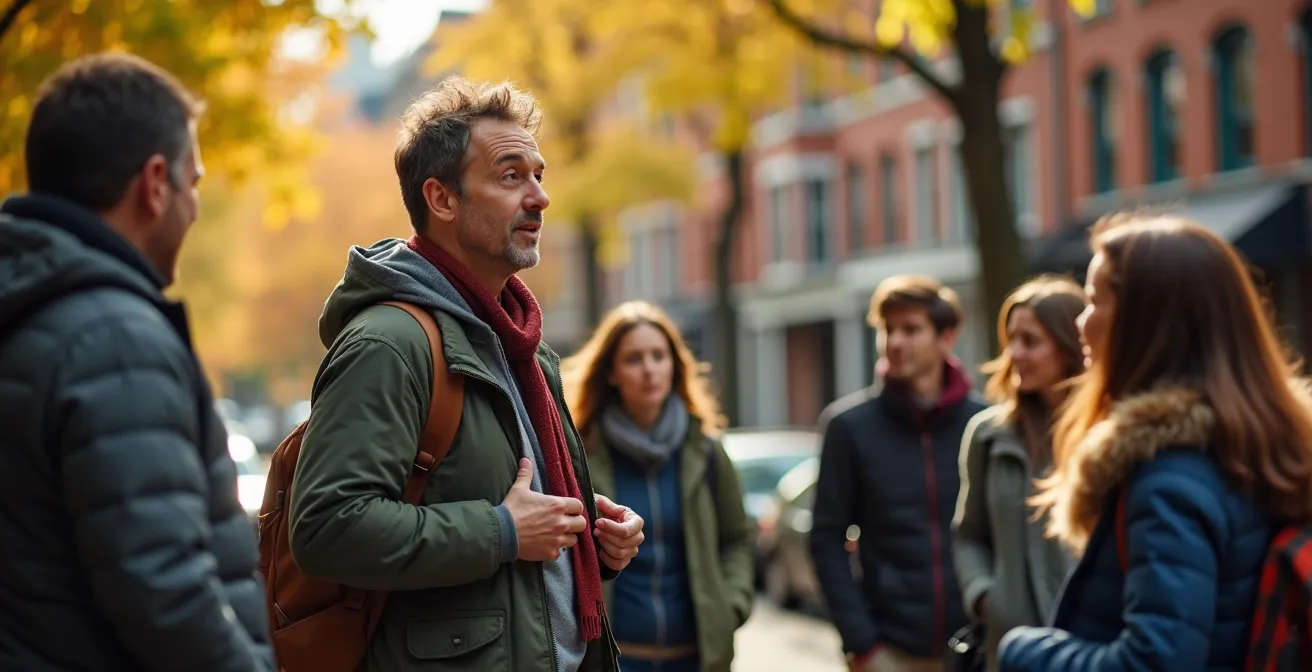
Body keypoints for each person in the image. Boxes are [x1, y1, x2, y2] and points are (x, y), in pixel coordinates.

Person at [286, 76, 644, 672]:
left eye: (539, 175)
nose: (540, 197)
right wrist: (502, 530)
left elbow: (505, 506)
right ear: (442, 199)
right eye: (511, 176)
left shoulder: (523, 346)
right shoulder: (390, 343)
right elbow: (327, 527)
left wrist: (587, 533)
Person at [0, 53, 272, 670]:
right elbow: (167, 595)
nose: (195, 207)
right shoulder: (114, 339)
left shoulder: (32, 305)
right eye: (192, 183)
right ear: (154, 184)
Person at [997, 215, 1312, 671]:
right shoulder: (1257, 444)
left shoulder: (1169, 479)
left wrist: (1024, 651)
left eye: (1093, 302)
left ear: (1142, 322)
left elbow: (1153, 662)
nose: (1081, 323)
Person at [561, 301, 755, 672]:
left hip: (698, 659)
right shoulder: (581, 453)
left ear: (674, 366)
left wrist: (730, 606)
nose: (649, 369)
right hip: (613, 660)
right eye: (634, 359)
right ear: (611, 372)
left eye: (658, 356)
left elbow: (737, 539)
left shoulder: (706, 452)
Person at [812, 275, 987, 672]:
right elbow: (825, 539)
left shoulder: (984, 424)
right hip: (889, 652)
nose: (895, 342)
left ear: (946, 337)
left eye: (911, 329)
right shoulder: (848, 427)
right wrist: (861, 643)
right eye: (888, 329)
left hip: (976, 649)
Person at [951, 276, 1086, 671]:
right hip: (1011, 650)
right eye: (1011, 339)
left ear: (1069, 345)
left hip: (1088, 648)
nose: (1015, 353)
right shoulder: (988, 434)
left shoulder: (1105, 434)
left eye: (1031, 341)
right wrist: (986, 597)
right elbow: (968, 534)